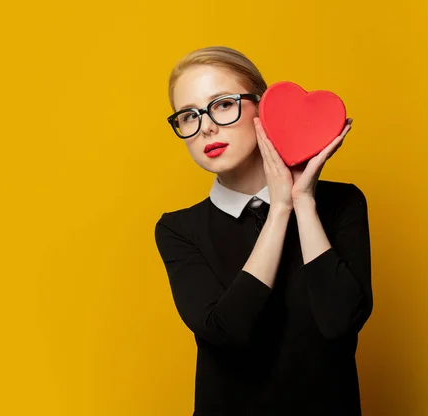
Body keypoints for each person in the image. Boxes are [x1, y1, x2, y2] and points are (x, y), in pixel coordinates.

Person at [154, 46, 373, 416]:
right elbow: (228, 332)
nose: (206, 125)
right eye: (189, 115)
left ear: (264, 108)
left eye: (223, 104)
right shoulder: (179, 229)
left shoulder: (342, 204)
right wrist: (279, 209)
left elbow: (340, 324)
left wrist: (303, 201)